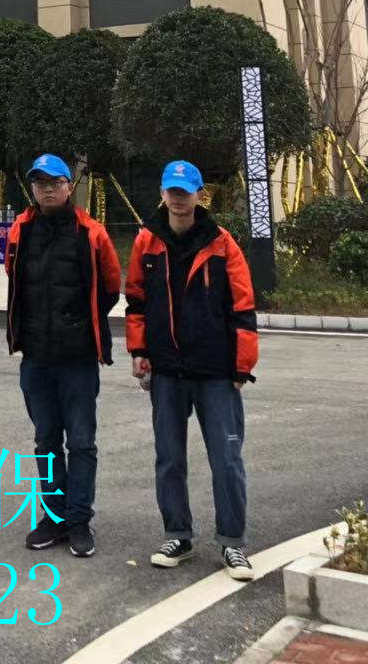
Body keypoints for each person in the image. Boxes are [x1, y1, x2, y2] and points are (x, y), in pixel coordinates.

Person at [126, 159, 258, 581]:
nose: (179, 199)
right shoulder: (146, 242)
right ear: (162, 194)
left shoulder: (222, 243)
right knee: (169, 457)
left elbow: (242, 307)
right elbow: (136, 301)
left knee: (227, 459)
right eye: (172, 191)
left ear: (200, 195)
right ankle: (177, 535)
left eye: (186, 192)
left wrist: (241, 365)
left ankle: (232, 542)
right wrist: (139, 351)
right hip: (167, 370)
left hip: (216, 371)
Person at [5, 153, 121, 559]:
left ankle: (78, 520)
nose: (48, 189)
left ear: (70, 186)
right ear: (33, 189)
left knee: (82, 441)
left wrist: (80, 323)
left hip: (78, 359)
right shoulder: (21, 230)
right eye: (40, 183)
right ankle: (54, 517)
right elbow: (14, 279)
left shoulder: (91, 233)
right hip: (36, 357)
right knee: (46, 440)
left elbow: (110, 286)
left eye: (55, 182)